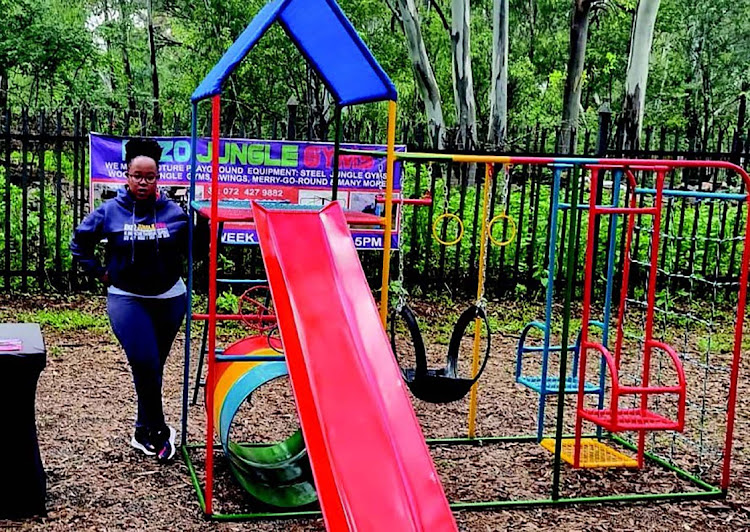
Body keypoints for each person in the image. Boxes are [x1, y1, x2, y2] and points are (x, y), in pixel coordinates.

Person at [71, 138, 191, 462]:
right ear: (126, 175)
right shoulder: (110, 211)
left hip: (169, 299)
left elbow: (194, 249)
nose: (143, 182)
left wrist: (203, 227)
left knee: (152, 367)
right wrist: (100, 273)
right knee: (146, 362)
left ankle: (141, 429)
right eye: (137, 175)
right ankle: (159, 432)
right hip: (127, 298)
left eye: (150, 176)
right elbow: (79, 243)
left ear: (158, 178)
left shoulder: (174, 212)